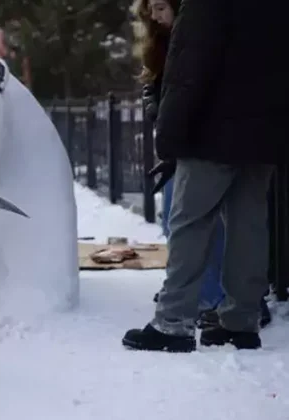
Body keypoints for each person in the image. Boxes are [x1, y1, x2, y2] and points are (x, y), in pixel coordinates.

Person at [122, 0, 288, 352]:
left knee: (189, 223)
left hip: (212, 134)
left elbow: (188, 72)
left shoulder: (206, 6)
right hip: (264, 134)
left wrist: (167, 135)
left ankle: (173, 322)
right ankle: (240, 321)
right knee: (249, 225)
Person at [133, 0, 227, 326]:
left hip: (195, 140)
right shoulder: (162, 41)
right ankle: (188, 289)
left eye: (160, 7)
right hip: (175, 138)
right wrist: (155, 110)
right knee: (176, 220)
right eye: (151, 10)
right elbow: (154, 84)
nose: (155, 16)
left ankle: (208, 294)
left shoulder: (198, 35)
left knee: (197, 222)